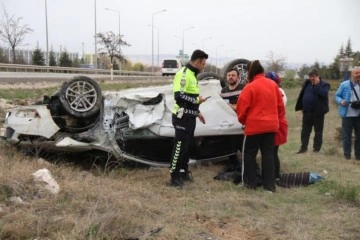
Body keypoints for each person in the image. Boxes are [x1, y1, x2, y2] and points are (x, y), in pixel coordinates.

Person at [236, 60, 285, 192]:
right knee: (268, 154)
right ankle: (269, 186)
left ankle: (249, 183)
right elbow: (281, 107)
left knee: (249, 154)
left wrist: (243, 121)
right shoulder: (273, 85)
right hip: (272, 126)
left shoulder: (250, 87)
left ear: (250, 72)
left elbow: (242, 108)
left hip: (254, 127)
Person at [169, 49, 209, 187]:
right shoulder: (183, 74)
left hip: (191, 117)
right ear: (197, 62)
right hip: (181, 117)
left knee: (187, 147)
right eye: (203, 64)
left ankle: (183, 171)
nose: (204, 67)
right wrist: (197, 100)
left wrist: (197, 112)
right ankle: (174, 177)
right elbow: (179, 97)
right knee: (179, 147)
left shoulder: (193, 75)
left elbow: (191, 96)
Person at [217, 68, 246, 174]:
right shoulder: (223, 91)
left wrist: (233, 107)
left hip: (242, 123)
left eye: (233, 75)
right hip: (229, 124)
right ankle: (234, 165)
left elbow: (246, 105)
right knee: (229, 145)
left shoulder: (244, 88)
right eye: (229, 75)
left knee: (243, 146)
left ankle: (247, 166)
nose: (230, 77)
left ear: (238, 77)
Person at [295, 68, 330, 154]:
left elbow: (323, 93)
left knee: (318, 131)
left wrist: (316, 85)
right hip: (307, 112)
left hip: (318, 112)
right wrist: (302, 106)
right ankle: (303, 148)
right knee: (305, 130)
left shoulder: (325, 84)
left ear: (318, 76)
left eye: (313, 76)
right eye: (310, 76)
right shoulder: (306, 83)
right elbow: (302, 95)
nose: (311, 78)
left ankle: (316, 149)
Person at [265, 72, 288, 179]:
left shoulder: (278, 92)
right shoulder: (278, 91)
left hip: (276, 125)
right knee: (272, 152)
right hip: (276, 123)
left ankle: (275, 176)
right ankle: (274, 175)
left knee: (272, 152)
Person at [334, 67, 360, 160]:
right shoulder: (344, 84)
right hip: (347, 114)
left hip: (358, 115)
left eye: (359, 73)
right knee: (346, 136)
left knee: (359, 136)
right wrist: (341, 101)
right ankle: (347, 155)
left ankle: (358, 156)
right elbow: (337, 96)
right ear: (352, 74)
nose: (358, 75)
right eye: (356, 73)